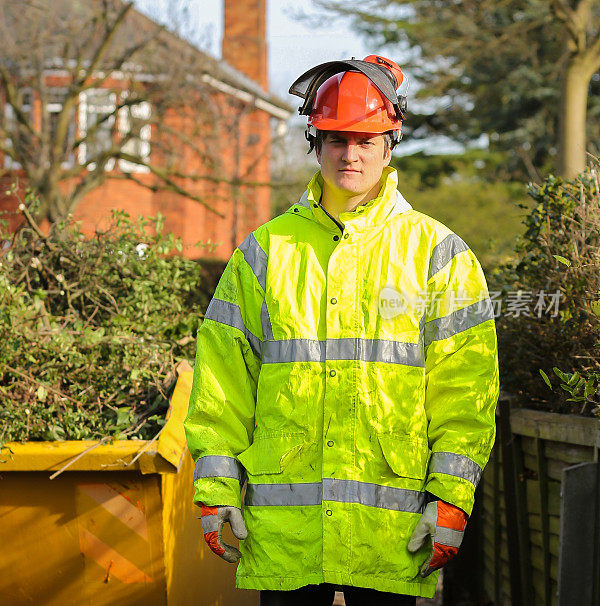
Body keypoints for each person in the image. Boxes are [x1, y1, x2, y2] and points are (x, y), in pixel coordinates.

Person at [184, 54, 499, 605]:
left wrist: (451, 500)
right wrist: (214, 491)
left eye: (365, 140)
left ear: (389, 144)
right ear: (315, 142)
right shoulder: (264, 253)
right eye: (335, 139)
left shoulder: (437, 256)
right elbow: (222, 381)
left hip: (390, 533)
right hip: (287, 534)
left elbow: (466, 392)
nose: (350, 154)